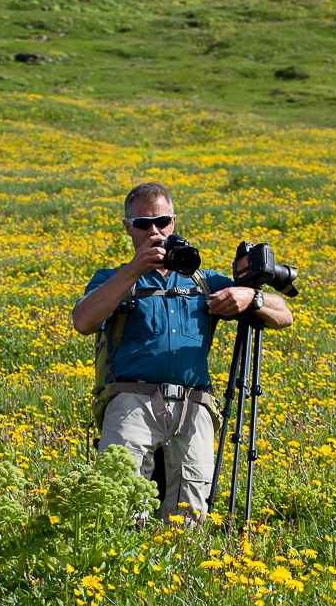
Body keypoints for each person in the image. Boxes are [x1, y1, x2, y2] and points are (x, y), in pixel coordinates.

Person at [72, 181, 293, 523]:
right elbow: (84, 321)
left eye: (162, 222)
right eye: (143, 224)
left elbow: (285, 315)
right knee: (119, 508)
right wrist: (135, 269)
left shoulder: (203, 281)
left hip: (194, 405)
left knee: (189, 518)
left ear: (174, 222)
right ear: (128, 227)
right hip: (131, 400)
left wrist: (253, 298)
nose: (154, 231)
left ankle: (178, 571)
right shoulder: (113, 278)